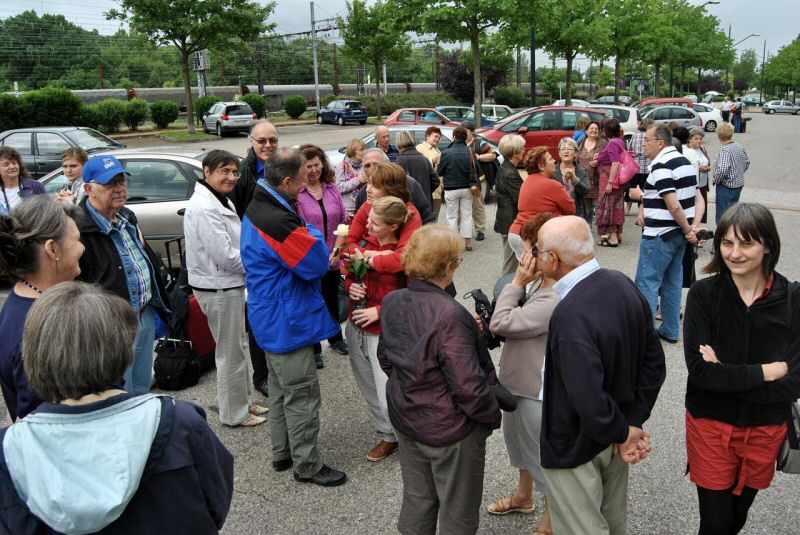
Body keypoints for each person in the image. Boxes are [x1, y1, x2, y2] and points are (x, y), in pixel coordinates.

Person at [0, 282, 234, 533]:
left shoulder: (9, 452)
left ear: (33, 357)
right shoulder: (180, 422)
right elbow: (216, 502)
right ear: (122, 350)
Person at [538, 215, 666, 535]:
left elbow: (587, 397)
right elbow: (654, 363)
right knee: (613, 521)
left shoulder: (570, 315)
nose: (534, 257)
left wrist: (624, 432)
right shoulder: (623, 284)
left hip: (577, 445)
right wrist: (631, 424)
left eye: (538, 250)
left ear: (553, 259)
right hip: (616, 435)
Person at [683, 203, 800, 535]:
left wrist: (727, 372)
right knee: (716, 522)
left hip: (765, 429)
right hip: (710, 425)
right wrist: (765, 371)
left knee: (736, 517)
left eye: (746, 243)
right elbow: (701, 373)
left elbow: (794, 382)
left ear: (768, 245)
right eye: (727, 243)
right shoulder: (704, 294)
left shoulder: (793, 299)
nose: (734, 253)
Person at [378, 225, 502, 535]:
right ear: (448, 266)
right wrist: (490, 417)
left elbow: (385, 357)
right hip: (450, 429)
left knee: (418, 499)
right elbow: (469, 387)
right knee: (457, 512)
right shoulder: (451, 314)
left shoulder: (393, 300)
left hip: (407, 416)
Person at [240, 147, 346, 487]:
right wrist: (315, 236)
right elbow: (315, 264)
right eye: (301, 181)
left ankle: (283, 453)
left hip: (268, 314)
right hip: (288, 318)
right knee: (302, 394)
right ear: (286, 181)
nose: (305, 186)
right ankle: (308, 465)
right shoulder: (280, 221)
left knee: (282, 391)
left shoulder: (261, 203)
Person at [184, 149, 268, 427]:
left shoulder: (219, 199)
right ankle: (234, 414)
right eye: (225, 171)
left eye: (235, 172)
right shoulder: (205, 207)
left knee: (238, 347)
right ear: (207, 171)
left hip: (228, 285)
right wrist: (258, 260)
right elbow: (226, 256)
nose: (232, 177)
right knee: (230, 352)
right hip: (218, 287)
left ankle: (242, 402)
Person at [487, 213, 559, 535]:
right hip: (518, 380)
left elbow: (501, 323)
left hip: (534, 387)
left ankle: (551, 522)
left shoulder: (552, 295)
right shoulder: (541, 283)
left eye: (528, 250)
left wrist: (515, 284)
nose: (523, 258)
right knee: (518, 446)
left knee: (540, 455)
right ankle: (523, 495)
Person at [77, 154, 170, 394]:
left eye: (122, 182)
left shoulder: (127, 216)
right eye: (110, 184)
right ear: (89, 189)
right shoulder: (78, 229)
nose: (119, 189)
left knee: (141, 385)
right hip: (111, 326)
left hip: (144, 315)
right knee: (118, 389)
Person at [0, 197, 83, 422]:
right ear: (52, 249)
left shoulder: (19, 301)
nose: (82, 247)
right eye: (77, 239)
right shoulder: (45, 329)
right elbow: (46, 423)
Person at [344, 196, 411, 462]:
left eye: (374, 221)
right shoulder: (363, 243)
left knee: (388, 392)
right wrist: (351, 286)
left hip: (384, 331)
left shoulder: (404, 255)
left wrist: (380, 311)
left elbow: (411, 296)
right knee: (368, 385)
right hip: (356, 323)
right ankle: (387, 435)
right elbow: (349, 273)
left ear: (393, 226)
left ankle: (407, 439)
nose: (366, 224)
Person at [635, 125, 704, 344]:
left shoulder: (661, 164)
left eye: (647, 140)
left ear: (660, 142)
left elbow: (673, 205)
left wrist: (687, 229)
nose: (644, 143)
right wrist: (689, 228)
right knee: (672, 282)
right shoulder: (685, 162)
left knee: (647, 282)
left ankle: (644, 337)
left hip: (659, 234)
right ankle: (671, 329)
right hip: (676, 236)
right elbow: (692, 198)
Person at [229, 119, 278, 398]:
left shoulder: (282, 166)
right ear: (251, 142)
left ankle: (278, 367)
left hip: (279, 253)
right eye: (262, 141)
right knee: (257, 315)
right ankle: (262, 375)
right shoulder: (243, 172)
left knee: (276, 312)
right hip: (254, 255)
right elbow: (234, 216)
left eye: (272, 140)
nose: (267, 145)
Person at [297, 144, 350, 369]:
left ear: (323, 165)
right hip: (310, 259)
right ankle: (314, 348)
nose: (313, 170)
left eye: (316, 165)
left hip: (333, 256)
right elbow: (298, 228)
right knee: (312, 302)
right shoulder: (297, 194)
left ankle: (336, 338)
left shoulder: (332, 189)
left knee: (331, 299)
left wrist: (337, 252)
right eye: (308, 166)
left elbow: (343, 221)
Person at [346, 162, 423, 277]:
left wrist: (364, 261)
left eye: (375, 186)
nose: (367, 189)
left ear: (391, 190)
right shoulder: (367, 206)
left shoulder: (409, 214)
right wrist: (373, 253)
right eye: (368, 183)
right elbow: (346, 245)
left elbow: (403, 258)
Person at [507, 147, 575, 260]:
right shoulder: (552, 184)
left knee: (528, 273)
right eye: (550, 159)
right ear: (541, 166)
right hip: (534, 236)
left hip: (516, 233)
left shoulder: (526, 182)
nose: (554, 161)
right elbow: (570, 210)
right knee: (543, 274)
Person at [353, 149, 435, 224]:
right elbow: (359, 224)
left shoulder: (408, 183)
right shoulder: (364, 193)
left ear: (387, 165)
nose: (372, 168)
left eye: (376, 164)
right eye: (367, 166)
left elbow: (427, 217)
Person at [437, 126, 479, 251]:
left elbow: (439, 172)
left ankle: (453, 244)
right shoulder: (470, 151)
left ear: (454, 136)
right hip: (467, 188)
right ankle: (468, 243)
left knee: (452, 216)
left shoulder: (446, 152)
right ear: (465, 137)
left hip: (451, 188)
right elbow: (475, 167)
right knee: (467, 214)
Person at [494, 134, 527, 275]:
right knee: (511, 263)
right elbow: (522, 198)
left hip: (507, 220)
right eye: (522, 148)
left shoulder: (507, 168)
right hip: (510, 222)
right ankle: (502, 294)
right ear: (515, 152)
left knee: (513, 260)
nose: (524, 150)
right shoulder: (509, 173)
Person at [464, 121, 498, 241]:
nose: (463, 133)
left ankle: (480, 230)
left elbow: (493, 155)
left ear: (472, 132)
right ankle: (465, 230)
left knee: (478, 205)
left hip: (479, 180)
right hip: (463, 181)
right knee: (464, 207)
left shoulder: (479, 143)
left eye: (466, 131)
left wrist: (478, 157)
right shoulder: (458, 143)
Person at [596, 117, 626, 247]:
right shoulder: (620, 141)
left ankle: (612, 237)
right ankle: (617, 235)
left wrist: (609, 182)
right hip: (618, 179)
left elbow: (615, 163)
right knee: (616, 205)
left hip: (609, 177)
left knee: (609, 206)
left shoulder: (613, 143)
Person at [712, 122, 750, 225]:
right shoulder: (739, 146)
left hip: (726, 186)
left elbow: (722, 169)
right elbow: (747, 162)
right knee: (733, 213)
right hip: (738, 184)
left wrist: (716, 179)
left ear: (718, 135)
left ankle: (722, 237)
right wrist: (739, 172)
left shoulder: (725, 150)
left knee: (722, 215)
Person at [552, 137, 591, 222]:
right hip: (557, 215)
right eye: (563, 149)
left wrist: (574, 179)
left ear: (575, 153)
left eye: (569, 149)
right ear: (559, 153)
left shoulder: (582, 171)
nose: (566, 151)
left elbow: (586, 191)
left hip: (577, 214)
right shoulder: (552, 171)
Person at [395, 130, 438, 208]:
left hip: (411, 205)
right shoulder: (424, 158)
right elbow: (435, 180)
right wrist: (426, 192)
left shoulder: (401, 159)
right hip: (426, 204)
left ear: (399, 143)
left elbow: (398, 184)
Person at [0, 147, 47, 216]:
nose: (12, 167)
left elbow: (49, 213)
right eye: (6, 164)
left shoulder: (36, 186)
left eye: (14, 163)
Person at [577, 120, 607, 222]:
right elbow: (575, 159)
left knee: (600, 207)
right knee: (586, 209)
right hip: (583, 181)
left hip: (598, 181)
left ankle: (603, 230)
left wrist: (599, 160)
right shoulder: (580, 143)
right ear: (586, 131)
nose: (594, 130)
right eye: (591, 128)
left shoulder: (603, 143)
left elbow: (610, 159)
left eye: (596, 129)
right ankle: (587, 228)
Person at [626, 117, 654, 216]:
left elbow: (629, 149)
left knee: (633, 188)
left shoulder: (635, 135)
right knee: (644, 190)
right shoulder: (651, 137)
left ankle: (627, 209)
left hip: (636, 166)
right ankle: (642, 211)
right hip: (647, 166)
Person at [682, 126, 711, 224]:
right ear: (689, 139)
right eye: (696, 139)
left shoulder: (702, 149)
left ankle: (698, 229)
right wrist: (699, 168)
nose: (699, 141)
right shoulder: (685, 150)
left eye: (700, 139)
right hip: (691, 185)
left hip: (702, 184)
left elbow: (707, 161)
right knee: (691, 210)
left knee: (701, 209)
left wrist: (708, 168)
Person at [335, 138, 368, 216]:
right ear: (353, 151)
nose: (364, 152)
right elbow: (338, 187)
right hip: (348, 210)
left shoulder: (366, 164)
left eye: (364, 149)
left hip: (363, 206)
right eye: (361, 150)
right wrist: (357, 180)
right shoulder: (342, 165)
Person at [416, 126, 444, 217]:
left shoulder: (437, 149)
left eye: (439, 138)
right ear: (427, 136)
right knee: (427, 216)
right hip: (427, 189)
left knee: (435, 216)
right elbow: (419, 166)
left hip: (438, 190)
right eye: (435, 136)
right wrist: (433, 160)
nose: (437, 139)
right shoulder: (420, 148)